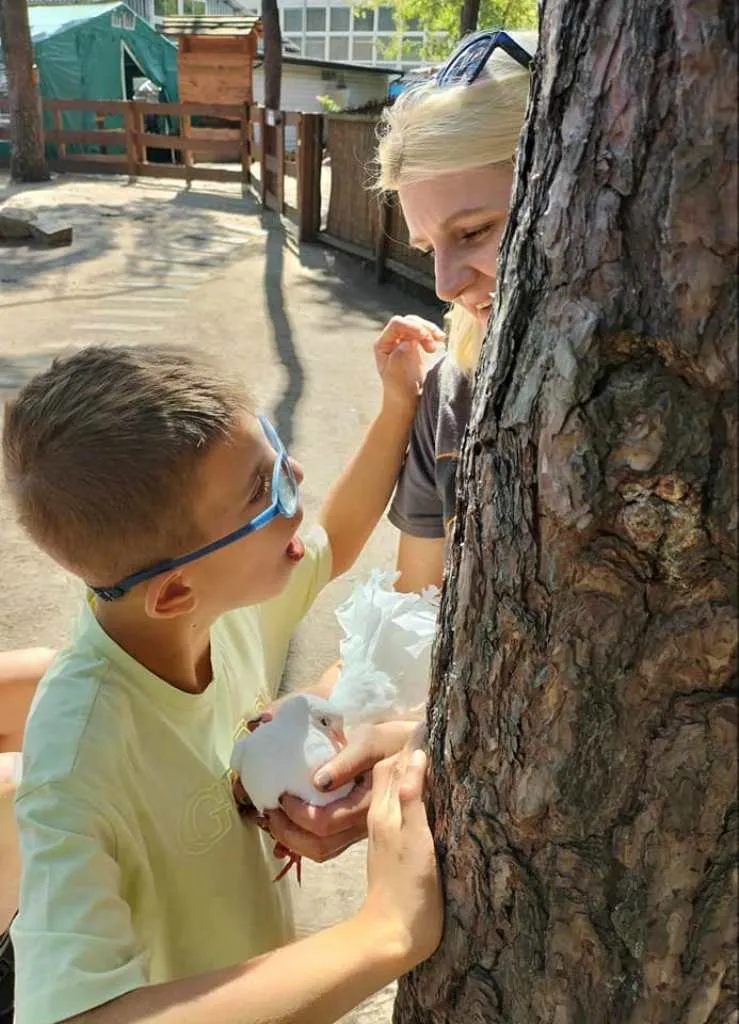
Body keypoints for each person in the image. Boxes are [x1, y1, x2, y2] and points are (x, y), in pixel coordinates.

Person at [2, 335, 444, 1024]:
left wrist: (396, 406)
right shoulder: (76, 765)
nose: (295, 474)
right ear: (175, 593)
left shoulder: (214, 604)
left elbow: (334, 540)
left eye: (272, 448)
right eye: (264, 493)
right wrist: (382, 932)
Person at [260, 27, 537, 866]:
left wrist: (414, 736)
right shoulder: (453, 382)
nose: (446, 284)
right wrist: (317, 730)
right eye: (429, 248)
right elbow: (417, 613)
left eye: (476, 230)